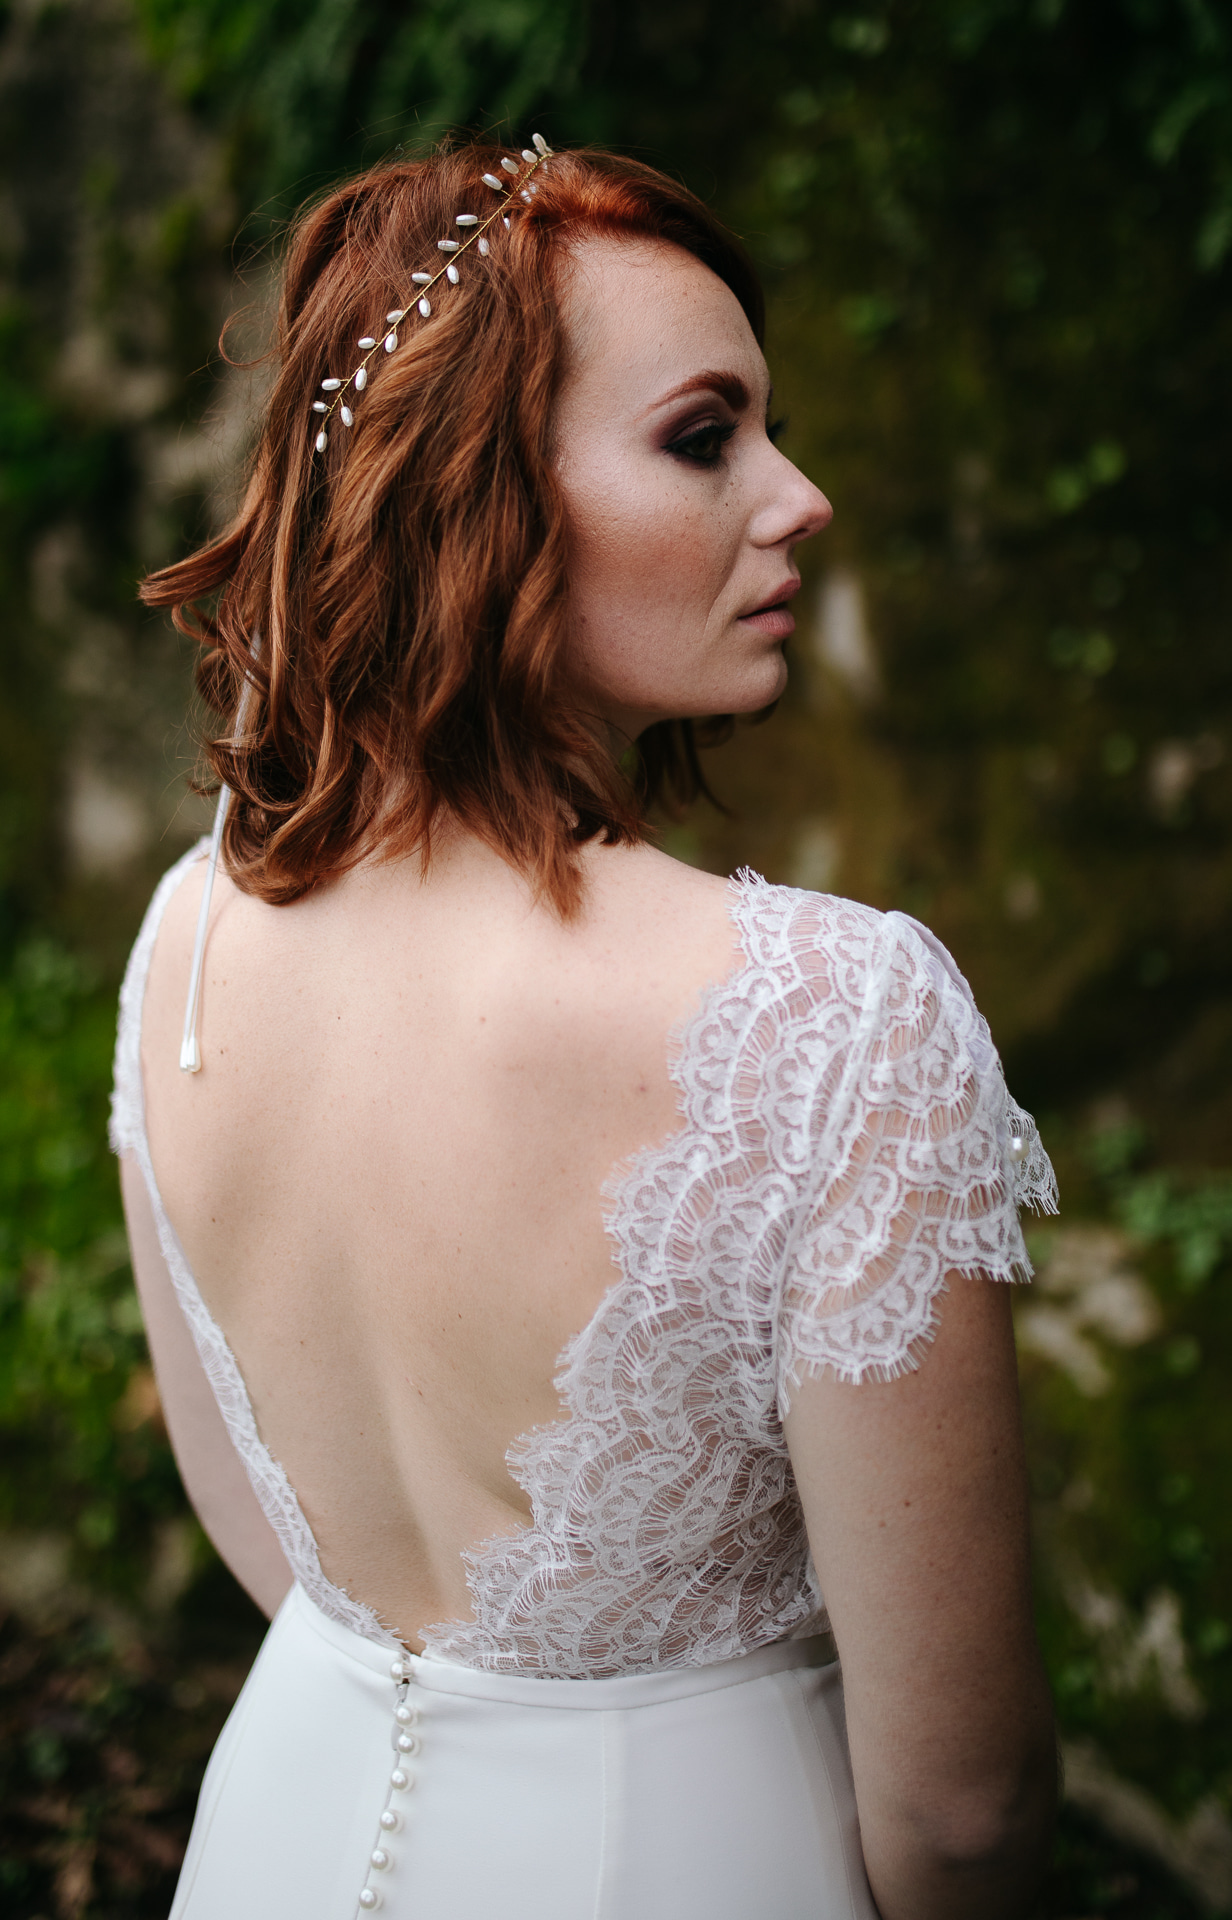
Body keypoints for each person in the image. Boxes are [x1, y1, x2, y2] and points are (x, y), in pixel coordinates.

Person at [113, 139, 1060, 1920]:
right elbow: (961, 1809)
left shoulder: (185, 946)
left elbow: (269, 1543)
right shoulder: (831, 1021)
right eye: (707, 438)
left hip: (282, 1834)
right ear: (474, 499)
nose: (800, 498)